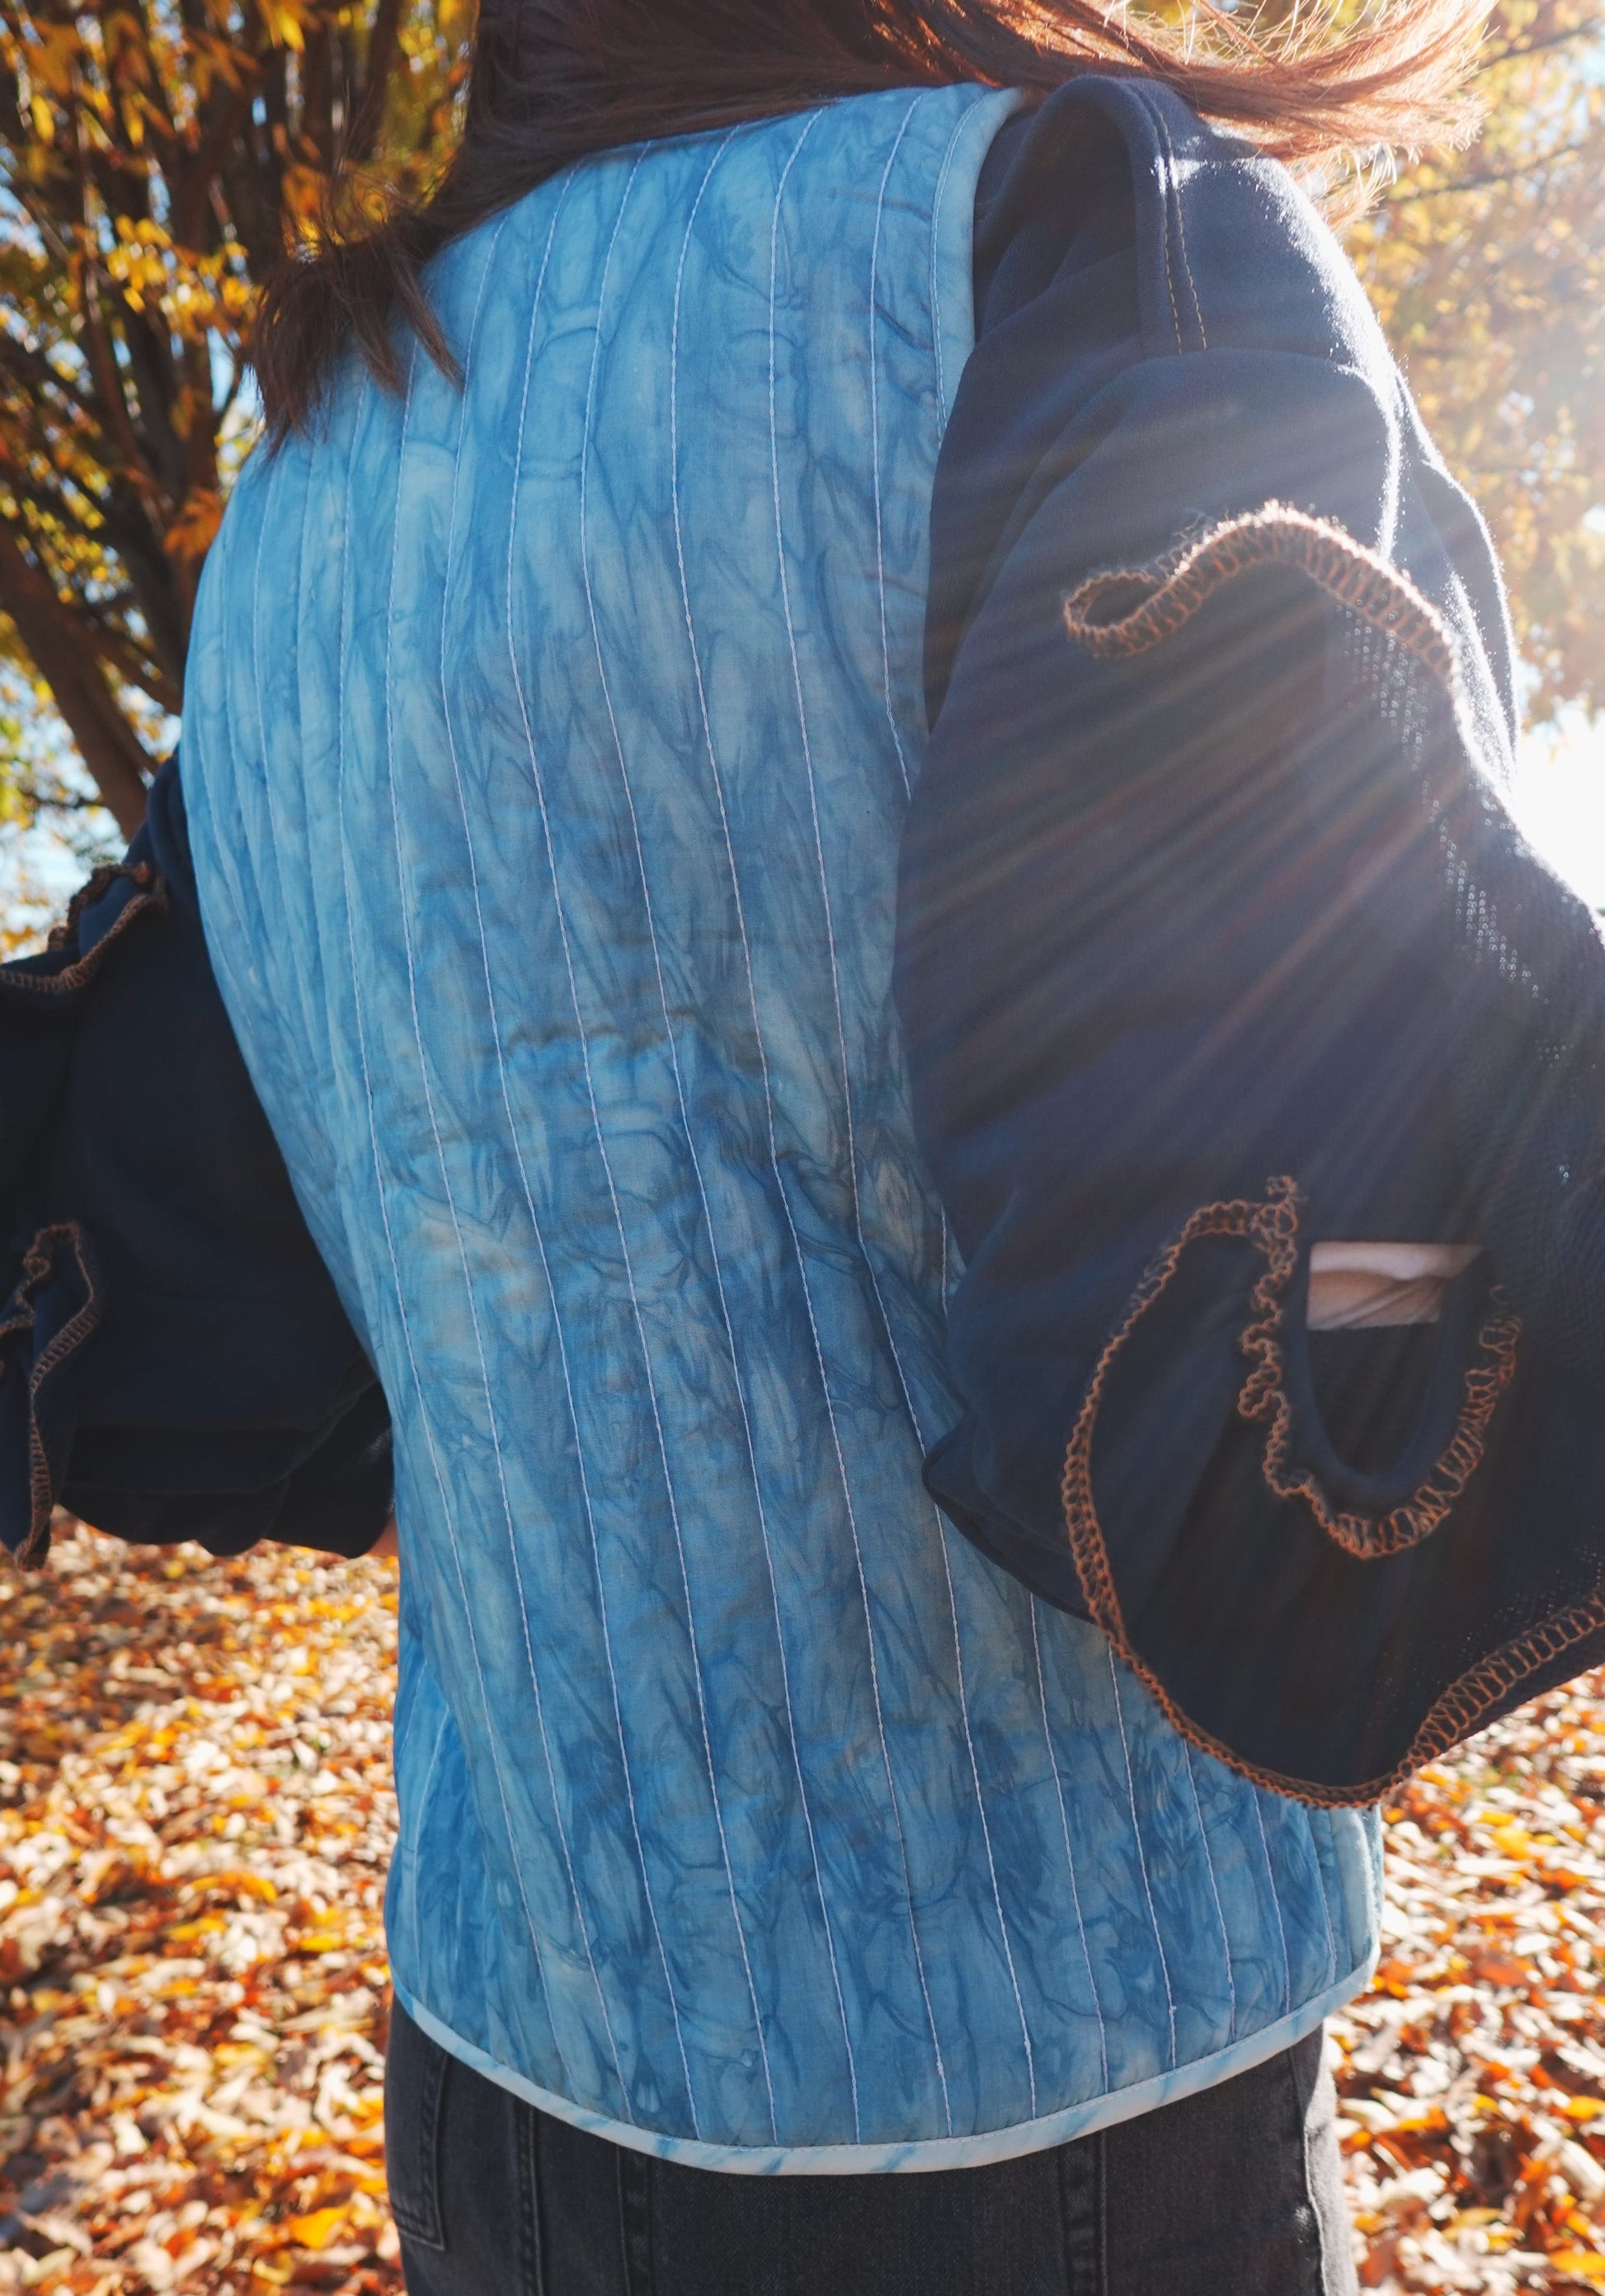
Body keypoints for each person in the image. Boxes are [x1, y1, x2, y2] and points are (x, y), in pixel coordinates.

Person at [0, 2, 1528, 2289]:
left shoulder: (304, 481)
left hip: (506, 2062)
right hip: (1067, 2089)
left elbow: (247, 1330)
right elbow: (1346, 1190)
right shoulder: (1068, 232)